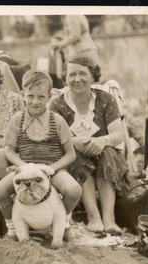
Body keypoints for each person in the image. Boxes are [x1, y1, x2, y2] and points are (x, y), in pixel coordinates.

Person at [0, 70, 82, 237]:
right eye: (30, 96)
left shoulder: (57, 120)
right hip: (25, 168)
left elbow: (71, 154)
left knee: (74, 190)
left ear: (49, 97)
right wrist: (23, 167)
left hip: (52, 169)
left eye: (41, 97)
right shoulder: (17, 119)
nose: (35, 101)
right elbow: (10, 152)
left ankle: (63, 221)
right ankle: (12, 226)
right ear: (23, 95)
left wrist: (50, 168)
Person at [50, 55, 128, 234]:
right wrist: (73, 141)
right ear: (65, 78)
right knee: (77, 157)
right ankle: (94, 217)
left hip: (107, 158)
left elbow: (118, 134)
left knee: (107, 154)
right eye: (72, 74)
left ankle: (109, 219)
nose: (77, 79)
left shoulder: (105, 99)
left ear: (93, 76)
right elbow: (52, 139)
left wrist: (103, 141)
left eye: (83, 74)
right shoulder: (57, 105)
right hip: (74, 160)